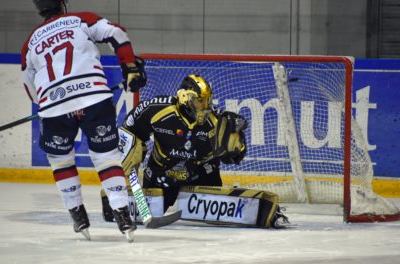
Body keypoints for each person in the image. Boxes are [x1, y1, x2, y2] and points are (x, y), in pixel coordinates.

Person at [21, 0, 147, 241]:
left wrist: (48, 103)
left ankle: (77, 215)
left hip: (54, 106)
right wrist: (129, 67)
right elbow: (116, 32)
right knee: (106, 157)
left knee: (61, 160)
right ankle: (122, 214)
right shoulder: (82, 19)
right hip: (94, 98)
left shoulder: (30, 42)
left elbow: (30, 87)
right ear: (62, 3)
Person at [102, 74, 289, 228]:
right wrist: (130, 149)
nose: (204, 106)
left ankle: (268, 213)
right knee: (154, 210)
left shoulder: (214, 122)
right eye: (199, 101)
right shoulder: (156, 109)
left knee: (221, 214)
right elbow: (128, 129)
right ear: (185, 98)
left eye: (206, 101)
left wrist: (235, 144)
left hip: (199, 174)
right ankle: (114, 201)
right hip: (162, 174)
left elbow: (234, 158)